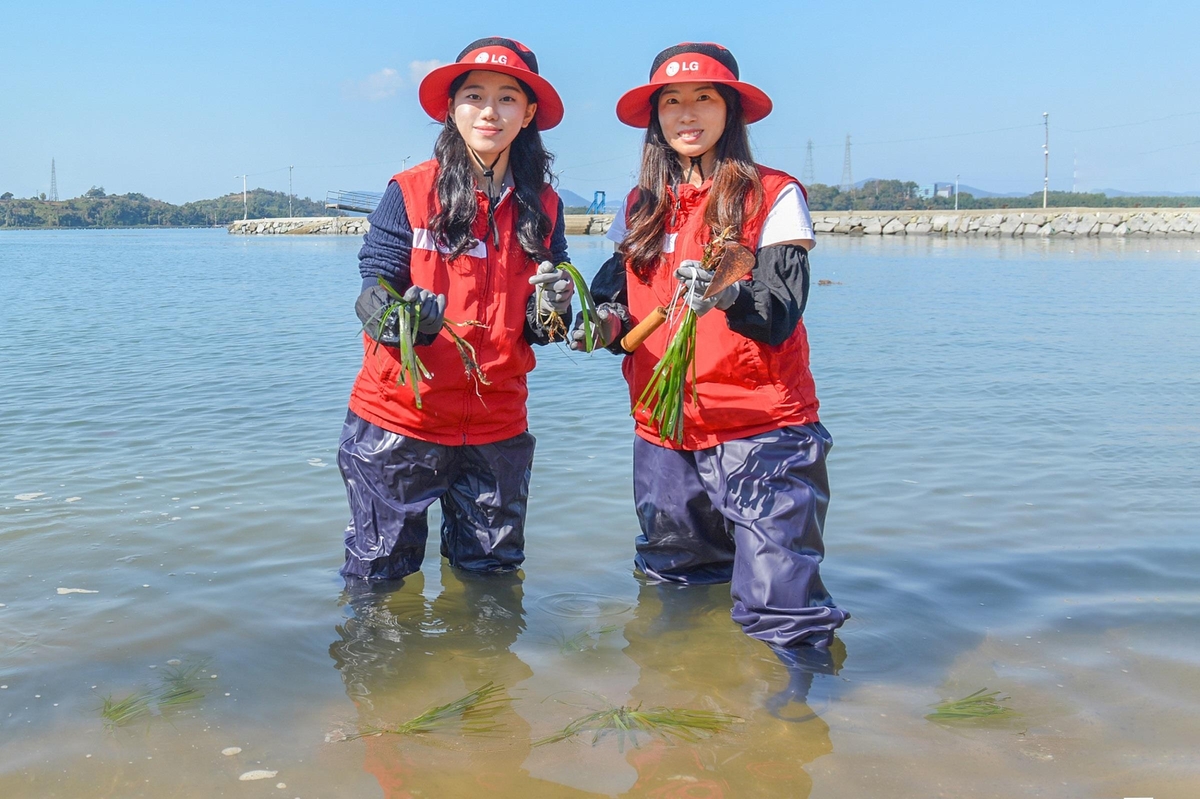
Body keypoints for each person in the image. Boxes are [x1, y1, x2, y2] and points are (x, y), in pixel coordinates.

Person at [573, 42, 848, 652]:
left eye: (704, 98)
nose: (687, 114)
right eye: (672, 102)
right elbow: (611, 307)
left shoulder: (773, 195)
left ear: (731, 111)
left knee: (784, 609)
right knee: (674, 588)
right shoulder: (640, 207)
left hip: (761, 432)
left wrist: (724, 296)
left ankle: (792, 725)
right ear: (655, 118)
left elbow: (778, 313)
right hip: (662, 430)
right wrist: (582, 320)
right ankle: (686, 704)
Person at [338, 37, 575, 583]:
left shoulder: (545, 206)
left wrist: (554, 309)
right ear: (451, 107)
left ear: (529, 113)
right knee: (379, 578)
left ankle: (483, 669)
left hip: (498, 423)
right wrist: (397, 319)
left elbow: (544, 318)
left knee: (491, 578)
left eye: (507, 98)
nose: (490, 111)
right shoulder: (411, 191)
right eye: (474, 95)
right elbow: (373, 278)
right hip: (400, 418)